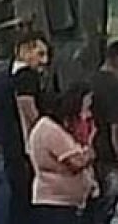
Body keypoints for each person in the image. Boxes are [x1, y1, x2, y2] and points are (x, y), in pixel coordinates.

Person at [0, 31, 51, 224]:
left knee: (1, 204)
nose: (44, 61)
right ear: (23, 51)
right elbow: (29, 113)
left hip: (0, 150)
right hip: (12, 152)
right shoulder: (24, 80)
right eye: (40, 54)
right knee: (8, 206)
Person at [28, 84, 98, 224]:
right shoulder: (49, 129)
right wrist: (90, 150)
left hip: (71, 204)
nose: (88, 114)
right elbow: (77, 162)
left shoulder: (64, 132)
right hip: (55, 205)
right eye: (86, 108)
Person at [89, 41, 118, 224]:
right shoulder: (116, 88)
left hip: (90, 158)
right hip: (110, 160)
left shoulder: (89, 82)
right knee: (111, 210)